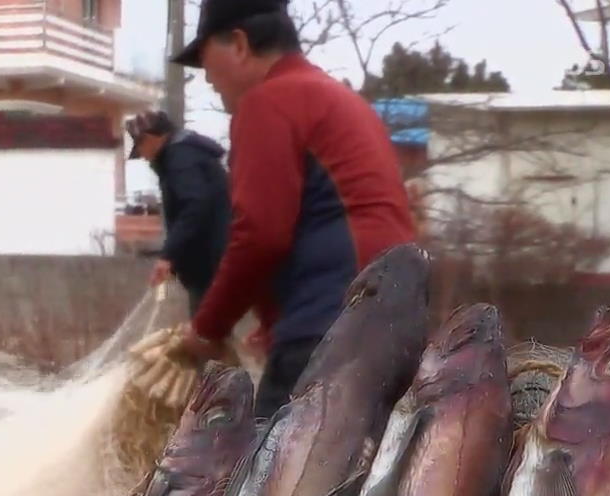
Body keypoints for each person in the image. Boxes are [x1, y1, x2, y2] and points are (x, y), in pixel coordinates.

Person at [172, 0, 417, 419]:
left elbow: (261, 235)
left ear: (240, 44)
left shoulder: (269, 101)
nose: (207, 77)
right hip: (395, 321)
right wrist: (275, 323)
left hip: (334, 329)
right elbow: (329, 215)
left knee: (268, 474)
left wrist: (207, 328)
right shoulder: (340, 101)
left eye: (206, 59)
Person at [127, 109, 231, 317]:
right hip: (209, 259)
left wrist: (168, 255)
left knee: (205, 331)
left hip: (210, 260)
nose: (144, 158)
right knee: (209, 328)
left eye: (140, 147)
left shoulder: (181, 159)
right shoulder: (182, 156)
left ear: (149, 139)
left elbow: (194, 206)